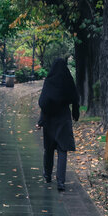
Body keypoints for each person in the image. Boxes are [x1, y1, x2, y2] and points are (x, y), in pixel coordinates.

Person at [35, 58, 80, 191]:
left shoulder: (49, 81)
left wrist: (41, 121)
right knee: (62, 149)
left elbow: (43, 102)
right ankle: (61, 181)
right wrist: (75, 114)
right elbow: (75, 98)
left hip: (50, 119)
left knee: (48, 149)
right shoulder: (68, 80)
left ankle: (47, 175)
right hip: (64, 119)